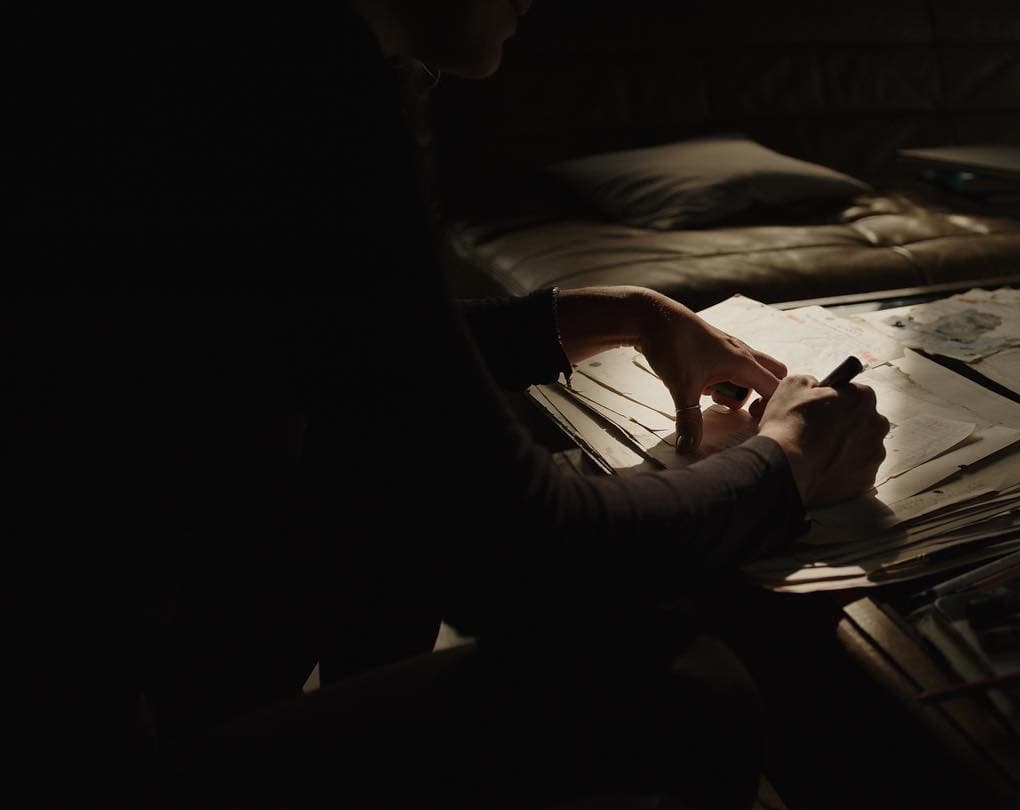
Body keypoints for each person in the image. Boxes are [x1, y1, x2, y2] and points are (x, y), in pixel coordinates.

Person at [11, 1, 888, 807]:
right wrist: (791, 459)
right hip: (71, 760)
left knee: (368, 478)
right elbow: (526, 561)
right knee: (687, 686)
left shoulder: (196, 39)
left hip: (125, 653)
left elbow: (327, 341)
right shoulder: (280, 68)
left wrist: (606, 314)